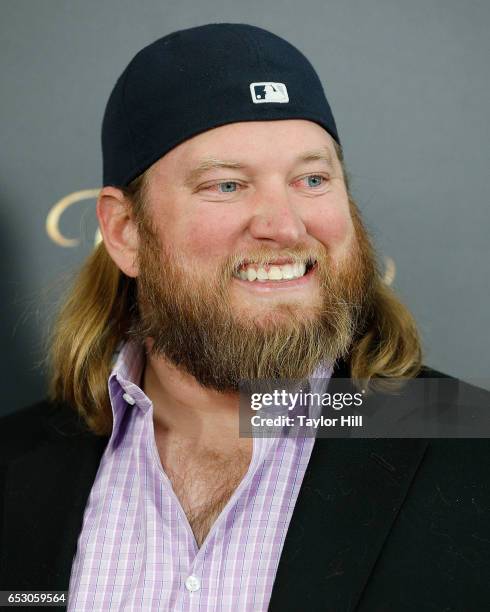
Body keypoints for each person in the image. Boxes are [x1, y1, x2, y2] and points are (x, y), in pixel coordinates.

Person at [0, 23, 489, 612]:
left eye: (312, 179)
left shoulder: (469, 440)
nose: (284, 225)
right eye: (226, 184)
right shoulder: (17, 465)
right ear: (125, 232)